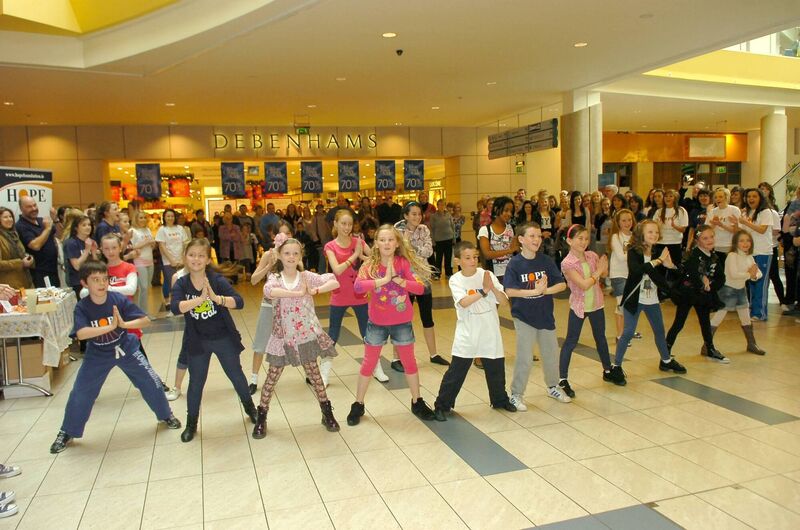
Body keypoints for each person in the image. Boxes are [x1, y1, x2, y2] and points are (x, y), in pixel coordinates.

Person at [49, 260, 180, 453]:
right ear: (85, 283)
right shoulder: (83, 307)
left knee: (151, 381)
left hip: (126, 348)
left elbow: (145, 320)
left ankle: (165, 414)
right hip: (98, 354)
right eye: (95, 280)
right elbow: (81, 333)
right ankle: (67, 431)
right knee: (81, 392)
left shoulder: (117, 300)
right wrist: (110, 327)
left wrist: (124, 325)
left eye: (105, 279)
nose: (102, 283)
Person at [346, 225, 437, 426]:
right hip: (377, 322)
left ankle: (417, 401)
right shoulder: (370, 265)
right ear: (376, 244)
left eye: (390, 240)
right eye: (382, 240)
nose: (386, 243)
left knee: (409, 362)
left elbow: (421, 288)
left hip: (401, 322)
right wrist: (383, 281)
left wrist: (400, 280)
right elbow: (358, 287)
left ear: (397, 243)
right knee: (369, 363)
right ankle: (358, 403)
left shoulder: (403, 263)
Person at [252, 234, 342, 438]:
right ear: (279, 256)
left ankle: (327, 413)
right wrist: (298, 294)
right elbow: (269, 292)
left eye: (295, 253)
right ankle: (262, 417)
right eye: (287, 253)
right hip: (283, 338)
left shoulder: (306, 276)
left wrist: (314, 290)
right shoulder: (275, 278)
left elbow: (334, 281)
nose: (291, 257)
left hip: (305, 337)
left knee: (315, 376)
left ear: (301, 255)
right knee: (272, 377)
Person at [171, 238, 258, 442]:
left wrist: (216, 298)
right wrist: (199, 300)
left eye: (201, 255)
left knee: (236, 375)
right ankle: (191, 423)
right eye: (192, 255)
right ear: (185, 257)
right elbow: (175, 307)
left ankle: (250, 409)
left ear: (208, 259)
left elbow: (239, 302)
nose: (196, 259)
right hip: (197, 341)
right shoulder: (182, 283)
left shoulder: (216, 280)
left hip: (223, 337)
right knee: (196, 383)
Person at [433, 241, 515, 419]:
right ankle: (442, 405)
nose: (473, 261)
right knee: (457, 371)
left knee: (495, 368)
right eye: (468, 258)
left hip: (489, 329)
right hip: (468, 331)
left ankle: (499, 400)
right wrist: (484, 291)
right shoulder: (456, 280)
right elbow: (463, 302)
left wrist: (492, 287)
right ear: (457, 261)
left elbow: (504, 302)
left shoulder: (487, 274)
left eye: (475, 257)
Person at [505, 222, 571, 409]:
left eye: (539, 236)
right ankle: (516, 394)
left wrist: (545, 290)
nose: (536, 240)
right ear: (521, 240)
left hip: (545, 316)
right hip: (524, 317)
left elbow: (561, 284)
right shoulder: (515, 264)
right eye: (532, 236)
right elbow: (510, 291)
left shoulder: (545, 261)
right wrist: (533, 292)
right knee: (525, 357)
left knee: (550, 354)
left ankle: (553, 386)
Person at [612, 220, 686, 385]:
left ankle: (666, 361)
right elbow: (637, 271)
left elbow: (670, 277)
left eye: (656, 232)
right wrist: (658, 261)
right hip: (635, 299)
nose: (654, 235)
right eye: (650, 232)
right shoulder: (634, 251)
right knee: (628, 332)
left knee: (659, 331)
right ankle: (616, 366)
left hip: (652, 299)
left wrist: (671, 265)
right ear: (641, 234)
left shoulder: (659, 251)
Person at [324, 210, 389, 386]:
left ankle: (376, 368)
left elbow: (376, 260)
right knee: (333, 335)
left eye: (350, 224)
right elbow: (337, 270)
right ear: (336, 224)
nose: (346, 227)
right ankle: (324, 372)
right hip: (339, 295)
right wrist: (355, 255)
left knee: (368, 334)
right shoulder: (330, 246)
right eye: (343, 223)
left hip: (359, 295)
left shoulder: (358, 242)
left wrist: (362, 256)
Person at [557, 224, 614, 398]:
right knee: (571, 341)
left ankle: (608, 370)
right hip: (579, 306)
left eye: (586, 238)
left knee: (601, 338)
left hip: (596, 304)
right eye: (579, 238)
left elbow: (603, 275)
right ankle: (562, 379)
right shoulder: (567, 263)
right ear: (569, 240)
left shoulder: (592, 255)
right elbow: (583, 284)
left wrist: (604, 266)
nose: (584, 242)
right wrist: (599, 271)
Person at [394, 202, 449, 367]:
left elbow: (429, 251)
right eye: (413, 214)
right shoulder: (398, 229)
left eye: (419, 214)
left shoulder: (424, 229)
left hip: (423, 278)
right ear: (405, 215)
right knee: (402, 319)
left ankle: (434, 354)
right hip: (403, 279)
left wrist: (409, 246)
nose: (417, 217)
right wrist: (408, 245)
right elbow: (396, 251)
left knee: (427, 317)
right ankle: (397, 358)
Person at [666, 225, 728, 363]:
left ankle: (710, 348)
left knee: (705, 322)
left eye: (711, 237)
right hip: (688, 294)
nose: (709, 240)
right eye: (705, 238)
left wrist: (710, 286)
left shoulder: (714, 257)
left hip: (703, 295)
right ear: (698, 241)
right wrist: (702, 282)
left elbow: (721, 277)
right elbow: (693, 273)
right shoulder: (693, 255)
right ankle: (666, 349)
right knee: (679, 322)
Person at [709, 230, 766, 356]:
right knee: (718, 318)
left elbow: (758, 273)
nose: (745, 243)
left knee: (746, 318)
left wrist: (753, 276)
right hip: (728, 291)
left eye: (748, 240)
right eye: (741, 240)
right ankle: (707, 345)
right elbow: (733, 275)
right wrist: (750, 274)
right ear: (735, 243)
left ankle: (751, 344)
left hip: (741, 290)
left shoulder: (749, 256)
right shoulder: (732, 256)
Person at [739, 188, 773, 321]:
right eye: (749, 196)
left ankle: (760, 313)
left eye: (754, 196)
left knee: (760, 282)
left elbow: (762, 230)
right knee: (751, 282)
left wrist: (746, 222)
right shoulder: (747, 212)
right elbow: (743, 231)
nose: (751, 199)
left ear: (760, 198)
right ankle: (753, 310)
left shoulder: (765, 212)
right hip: (750, 253)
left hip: (763, 252)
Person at [608, 209, 639, 344]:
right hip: (618, 274)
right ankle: (620, 336)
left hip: (631, 274)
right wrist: (634, 256)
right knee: (622, 304)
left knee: (629, 305)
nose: (627, 223)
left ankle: (628, 331)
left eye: (629, 220)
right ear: (618, 223)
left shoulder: (635, 236)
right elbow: (621, 257)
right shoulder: (616, 237)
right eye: (624, 220)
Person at [15, 196, 60, 287]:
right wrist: (47, 229)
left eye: (34, 205)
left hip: (54, 269)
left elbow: (60, 235)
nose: (34, 208)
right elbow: (35, 246)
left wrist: (55, 220)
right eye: (29, 207)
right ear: (21, 209)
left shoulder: (41, 220)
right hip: (39, 273)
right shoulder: (21, 226)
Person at [156, 209, 188, 310]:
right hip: (168, 261)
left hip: (181, 260)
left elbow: (184, 244)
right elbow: (162, 246)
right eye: (168, 216)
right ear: (164, 218)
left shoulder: (180, 228)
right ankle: (169, 302)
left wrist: (183, 258)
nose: (170, 218)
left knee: (182, 281)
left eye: (172, 216)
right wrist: (171, 260)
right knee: (170, 281)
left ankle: (181, 302)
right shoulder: (162, 229)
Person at [63, 215, 98, 297]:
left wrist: (93, 252)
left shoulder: (90, 241)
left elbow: (96, 265)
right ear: (76, 228)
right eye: (84, 225)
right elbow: (77, 266)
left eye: (89, 225)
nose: (88, 227)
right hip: (77, 282)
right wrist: (86, 251)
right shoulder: (71, 243)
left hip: (91, 279)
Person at [130, 210, 157, 313]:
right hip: (139, 261)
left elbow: (151, 244)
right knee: (144, 287)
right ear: (136, 219)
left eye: (144, 217)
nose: (143, 220)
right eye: (140, 218)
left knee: (147, 287)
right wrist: (146, 242)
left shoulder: (147, 230)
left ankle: (144, 311)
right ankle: (143, 312)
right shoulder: (133, 231)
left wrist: (152, 244)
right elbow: (132, 246)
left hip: (150, 260)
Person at [0, 207, 34, 288]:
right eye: (5, 217)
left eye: (10, 216)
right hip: (8, 286)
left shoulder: (14, 235)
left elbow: (21, 253)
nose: (9, 219)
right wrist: (21, 263)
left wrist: (28, 258)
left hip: (24, 281)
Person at [708, 188, 740, 265]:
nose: (718, 199)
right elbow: (708, 231)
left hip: (730, 246)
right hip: (716, 245)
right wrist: (714, 224)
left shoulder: (734, 210)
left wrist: (721, 225)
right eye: (716, 197)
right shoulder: (712, 212)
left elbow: (737, 231)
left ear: (726, 197)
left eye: (720, 197)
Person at [430, 199, 456, 278]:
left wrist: (454, 238)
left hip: (449, 239)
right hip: (438, 240)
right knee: (439, 258)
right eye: (440, 205)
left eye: (443, 205)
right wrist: (433, 241)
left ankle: (448, 273)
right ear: (437, 206)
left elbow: (452, 226)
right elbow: (432, 229)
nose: (442, 206)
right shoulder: (433, 216)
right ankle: (437, 274)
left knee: (448, 257)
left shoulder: (448, 215)